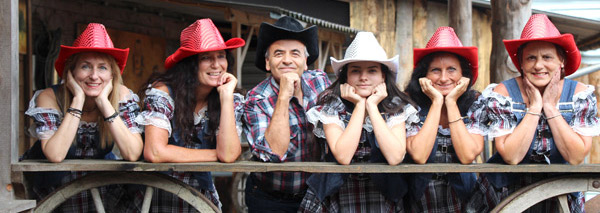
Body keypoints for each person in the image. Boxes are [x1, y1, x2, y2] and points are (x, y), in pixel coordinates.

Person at [466, 14, 599, 212]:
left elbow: (576, 156)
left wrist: (551, 108)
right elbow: (512, 156)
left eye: (547, 57)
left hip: (560, 195)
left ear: (561, 60)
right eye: (531, 58)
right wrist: (536, 107)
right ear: (521, 63)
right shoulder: (502, 94)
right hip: (506, 196)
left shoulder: (579, 94)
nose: (538, 65)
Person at [24, 23, 143, 212]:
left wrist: (104, 103)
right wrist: (78, 100)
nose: (94, 76)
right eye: (85, 66)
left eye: (102, 68)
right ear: (71, 71)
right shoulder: (49, 97)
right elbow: (55, 154)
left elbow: (132, 153)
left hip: (102, 189)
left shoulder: (122, 95)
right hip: (56, 192)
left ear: (112, 74)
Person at [299, 31, 418, 212]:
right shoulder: (332, 106)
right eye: (356, 70)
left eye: (372, 70)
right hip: (336, 194)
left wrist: (372, 106)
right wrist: (359, 105)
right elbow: (343, 156)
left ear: (383, 76)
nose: (363, 77)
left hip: (383, 195)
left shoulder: (395, 107)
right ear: (345, 76)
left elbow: (395, 157)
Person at [136, 18, 244, 210]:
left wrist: (226, 98)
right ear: (190, 64)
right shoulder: (164, 92)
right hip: (157, 194)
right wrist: (214, 154)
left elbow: (228, 155)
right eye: (205, 58)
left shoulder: (227, 98)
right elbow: (154, 152)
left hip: (200, 197)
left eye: (221, 56)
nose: (216, 65)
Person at [242, 16, 331, 212]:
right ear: (268, 63)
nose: (287, 60)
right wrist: (284, 96)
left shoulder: (320, 82)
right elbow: (274, 152)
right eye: (279, 53)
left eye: (295, 53)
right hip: (271, 199)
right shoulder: (256, 99)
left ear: (305, 62)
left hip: (317, 195)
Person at [403, 26, 484, 212]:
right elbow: (419, 155)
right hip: (419, 201)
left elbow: (467, 156)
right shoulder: (409, 104)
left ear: (463, 75)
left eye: (452, 70)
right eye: (435, 70)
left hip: (465, 200)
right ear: (424, 76)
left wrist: (452, 102)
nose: (444, 78)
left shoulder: (475, 102)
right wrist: (437, 102)